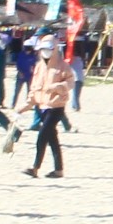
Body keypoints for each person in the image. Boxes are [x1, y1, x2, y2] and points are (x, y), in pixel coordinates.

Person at [23, 34, 72, 180]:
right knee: (52, 138)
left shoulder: (63, 65)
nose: (45, 52)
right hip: (42, 106)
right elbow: (34, 87)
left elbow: (70, 82)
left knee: (42, 136)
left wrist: (58, 87)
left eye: (48, 49)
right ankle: (58, 170)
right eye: (43, 49)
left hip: (56, 106)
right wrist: (27, 103)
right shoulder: (39, 66)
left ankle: (35, 167)